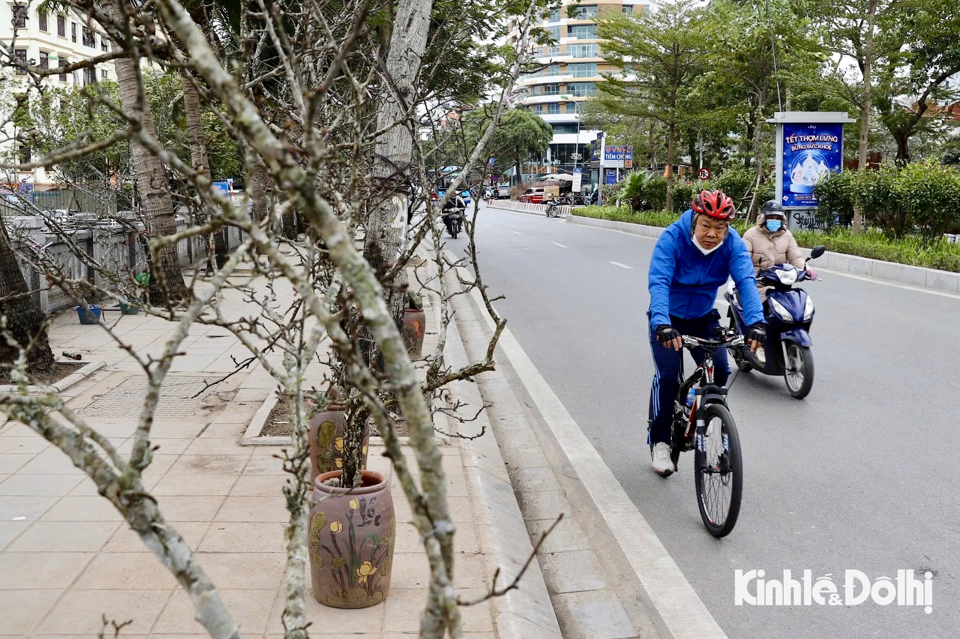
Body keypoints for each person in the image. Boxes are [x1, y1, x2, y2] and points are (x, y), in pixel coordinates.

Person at [647, 190, 766, 477]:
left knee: (722, 370)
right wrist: (662, 323)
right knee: (667, 378)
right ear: (693, 223)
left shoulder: (732, 245)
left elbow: (746, 282)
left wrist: (756, 323)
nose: (712, 234)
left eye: (720, 228)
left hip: (703, 317)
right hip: (669, 320)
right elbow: (659, 282)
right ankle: (660, 441)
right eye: (705, 226)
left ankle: (693, 404)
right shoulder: (672, 239)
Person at [742, 201, 818, 294]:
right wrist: (749, 273)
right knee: (757, 308)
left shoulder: (787, 235)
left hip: (781, 283)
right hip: (756, 284)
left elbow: (795, 257)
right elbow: (743, 259)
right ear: (763, 218)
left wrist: (807, 268)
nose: (774, 220)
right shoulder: (751, 234)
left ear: (782, 219)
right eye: (770, 218)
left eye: (777, 218)